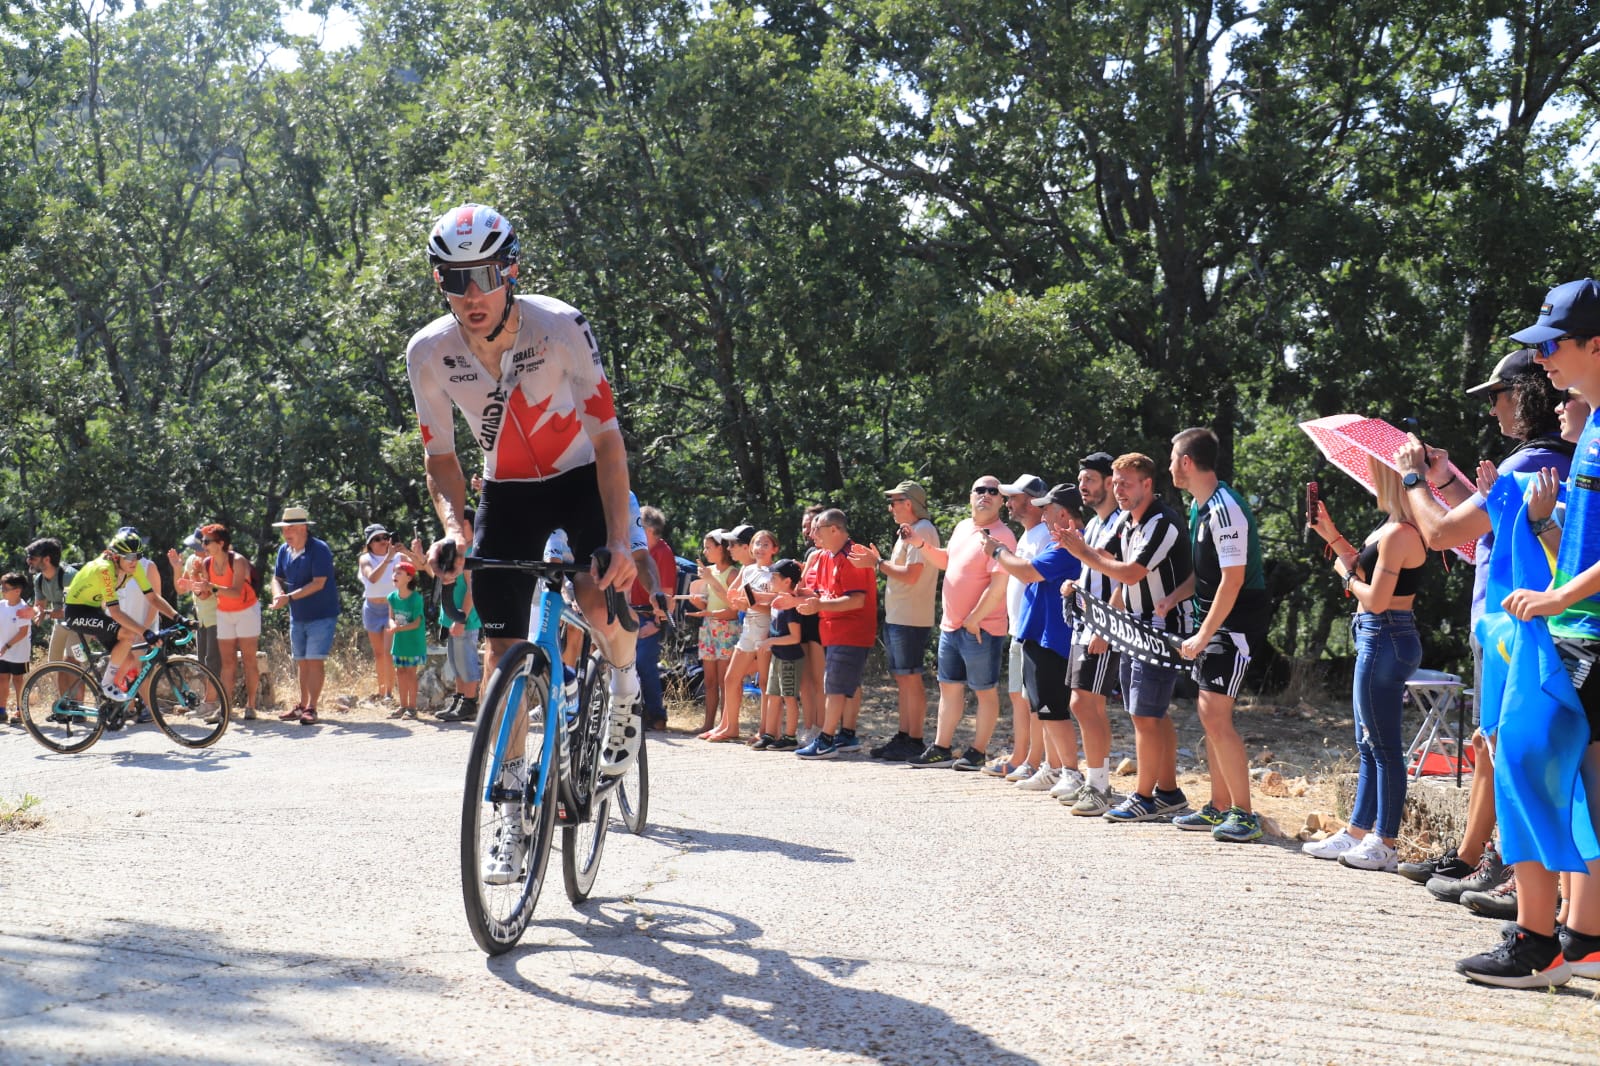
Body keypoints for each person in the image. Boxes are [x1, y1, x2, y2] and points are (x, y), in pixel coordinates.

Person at [407, 204, 640, 883]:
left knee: (600, 598)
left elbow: (607, 439)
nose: (471, 293)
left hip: (577, 477)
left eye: (483, 274)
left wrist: (620, 539)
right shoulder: (429, 352)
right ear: (440, 280)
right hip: (505, 488)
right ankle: (509, 808)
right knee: (501, 649)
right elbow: (440, 459)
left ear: (508, 269)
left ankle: (623, 690)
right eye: (455, 278)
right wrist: (455, 530)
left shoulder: (560, 327)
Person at [1456, 277, 1600, 988]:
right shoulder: (1594, 426)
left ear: (1595, 343)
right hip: (1572, 625)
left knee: (1519, 754)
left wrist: (1555, 598)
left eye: (1553, 344)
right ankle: (1578, 936)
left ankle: (1539, 942)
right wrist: (1550, 532)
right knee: (1580, 783)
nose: (1543, 361)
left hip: (1581, 629)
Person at [1395, 352, 1574, 902]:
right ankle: (1478, 855)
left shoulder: (1530, 463)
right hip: (1511, 621)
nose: (1493, 409)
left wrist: (1410, 479)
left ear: (1523, 396)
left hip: (1514, 624)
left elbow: (1444, 534)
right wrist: (1445, 479)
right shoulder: (1545, 459)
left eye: (1497, 395)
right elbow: (1488, 527)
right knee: (1490, 740)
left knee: (1512, 746)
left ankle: (1517, 873)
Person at [1306, 456, 1427, 870]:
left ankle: (1385, 843)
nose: (1369, 482)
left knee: (1385, 747)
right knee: (1369, 743)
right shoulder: (1390, 529)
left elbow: (1374, 597)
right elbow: (1363, 566)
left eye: (1375, 476)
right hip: (1379, 635)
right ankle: (1358, 832)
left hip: (1385, 635)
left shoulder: (1401, 534)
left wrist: (1345, 577)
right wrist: (1333, 535)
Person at [1058, 453, 1194, 822]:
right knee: (1152, 715)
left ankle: (1144, 797)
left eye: (1126, 483)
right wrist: (1106, 617)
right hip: (1132, 628)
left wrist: (1081, 551)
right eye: (1115, 483)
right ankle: (1168, 792)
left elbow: (1131, 572)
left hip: (1160, 630)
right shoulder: (1128, 523)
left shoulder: (1161, 522)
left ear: (1148, 484)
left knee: (1144, 716)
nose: (1118, 490)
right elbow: (1109, 563)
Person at [1162, 428, 1272, 843]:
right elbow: (1204, 575)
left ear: (1187, 462)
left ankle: (1245, 814)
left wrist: (1203, 633)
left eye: (1173, 457)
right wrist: (1173, 598)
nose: (1170, 464)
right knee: (1209, 714)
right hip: (1213, 621)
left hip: (1237, 621)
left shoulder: (1226, 509)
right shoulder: (1199, 506)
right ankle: (1219, 807)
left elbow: (1232, 580)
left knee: (1214, 712)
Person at [905, 477, 1017, 770]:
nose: (987, 495)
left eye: (994, 492)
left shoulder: (1002, 536)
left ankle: (977, 751)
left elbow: (998, 586)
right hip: (952, 627)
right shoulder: (963, 528)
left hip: (981, 629)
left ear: (1002, 502)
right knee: (949, 688)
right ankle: (942, 748)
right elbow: (946, 562)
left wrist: (974, 620)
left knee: (984, 691)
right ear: (970, 496)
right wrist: (919, 543)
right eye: (980, 490)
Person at [984, 485, 1086, 796]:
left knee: (1053, 708)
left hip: (1052, 637)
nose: (1042, 515)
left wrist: (998, 551)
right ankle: (1054, 768)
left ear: (1064, 514)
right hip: (1038, 634)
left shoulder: (1069, 546)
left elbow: (1027, 572)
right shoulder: (1059, 542)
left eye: (1048, 509)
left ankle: (1070, 772)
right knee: (1044, 708)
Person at [855, 481, 939, 761]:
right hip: (901, 616)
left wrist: (876, 563)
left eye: (894, 502)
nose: (890, 508)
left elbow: (912, 575)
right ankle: (905, 736)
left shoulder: (922, 531)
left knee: (910, 678)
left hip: (911, 617)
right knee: (904, 678)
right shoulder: (910, 532)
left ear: (909, 503)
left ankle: (914, 739)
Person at [1060, 451, 1123, 816]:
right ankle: (1096, 781)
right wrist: (1076, 584)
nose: (1083, 486)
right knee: (1086, 704)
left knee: (1084, 703)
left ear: (1108, 483)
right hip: (1083, 625)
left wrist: (1106, 625)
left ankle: (1099, 787)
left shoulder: (1118, 523)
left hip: (1101, 627)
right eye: (1081, 480)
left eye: (1090, 480)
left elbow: (1123, 578)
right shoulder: (1096, 523)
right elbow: (1095, 570)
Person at [790, 509, 877, 759]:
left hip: (851, 631)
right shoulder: (827, 556)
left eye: (818, 529)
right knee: (845, 685)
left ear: (835, 529)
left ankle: (826, 740)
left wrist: (819, 606)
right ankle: (846, 735)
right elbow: (819, 592)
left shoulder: (854, 555)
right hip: (832, 631)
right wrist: (791, 598)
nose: (812, 534)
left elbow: (856, 600)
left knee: (835, 688)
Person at [63, 529, 181, 703]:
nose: (134, 561)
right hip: (77, 611)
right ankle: (107, 686)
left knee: (128, 658)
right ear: (116, 557)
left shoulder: (136, 566)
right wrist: (146, 632)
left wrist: (179, 618)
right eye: (129, 557)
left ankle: (112, 704)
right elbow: (116, 613)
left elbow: (153, 597)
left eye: (138, 556)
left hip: (94, 609)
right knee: (128, 634)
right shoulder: (105, 570)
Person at [268, 506, 340, 726]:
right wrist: (278, 594)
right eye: (283, 529)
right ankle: (302, 704)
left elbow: (319, 583)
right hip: (297, 616)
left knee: (314, 660)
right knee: (302, 662)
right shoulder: (284, 550)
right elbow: (276, 578)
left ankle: (312, 708)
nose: (285, 533)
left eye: (289, 528)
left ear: (303, 528)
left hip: (321, 615)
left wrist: (288, 598)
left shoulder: (319, 549)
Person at [198, 524, 262, 721]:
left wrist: (211, 587)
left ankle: (250, 706)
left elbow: (235, 592)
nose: (204, 545)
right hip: (224, 612)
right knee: (227, 663)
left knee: (250, 659)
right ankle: (226, 708)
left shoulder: (238, 561)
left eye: (207, 542)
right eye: (203, 541)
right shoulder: (207, 563)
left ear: (221, 543)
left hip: (246, 611)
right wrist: (198, 588)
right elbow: (205, 595)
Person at [169, 528, 224, 719]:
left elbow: (204, 593)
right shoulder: (194, 561)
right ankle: (209, 702)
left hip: (217, 618)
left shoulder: (214, 563)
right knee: (204, 663)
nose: (195, 552)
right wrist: (177, 568)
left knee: (213, 662)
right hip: (202, 619)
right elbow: (180, 588)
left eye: (198, 547)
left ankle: (211, 703)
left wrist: (196, 574)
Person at [436, 507, 484, 723]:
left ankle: (470, 703)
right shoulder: (454, 550)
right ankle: (459, 700)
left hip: (465, 619)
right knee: (456, 663)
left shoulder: (472, 551)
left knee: (467, 661)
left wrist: (461, 618)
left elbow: (472, 590)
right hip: (452, 618)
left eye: (461, 522)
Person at [693, 530, 741, 737]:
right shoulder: (708, 571)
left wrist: (711, 581)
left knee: (725, 681)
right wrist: (697, 601)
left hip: (726, 629)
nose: (705, 552)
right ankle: (708, 724)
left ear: (721, 548)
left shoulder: (732, 573)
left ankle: (725, 724)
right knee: (710, 681)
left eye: (708, 547)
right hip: (708, 627)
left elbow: (733, 608)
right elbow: (707, 600)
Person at [754, 558, 805, 751]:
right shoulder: (776, 602)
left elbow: (795, 637)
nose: (771, 580)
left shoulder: (790, 606)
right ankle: (769, 734)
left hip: (789, 658)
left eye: (775, 577)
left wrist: (771, 641)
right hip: (777, 655)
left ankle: (790, 737)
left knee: (789, 697)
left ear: (787, 581)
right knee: (773, 694)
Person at [634, 505, 677, 731]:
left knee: (644, 664)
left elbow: (668, 595)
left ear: (649, 529)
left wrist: (655, 623)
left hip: (650, 618)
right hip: (630, 614)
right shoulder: (634, 549)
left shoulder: (663, 553)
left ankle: (656, 715)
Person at [358, 524, 400, 705]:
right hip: (372, 609)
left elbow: (420, 566)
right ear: (369, 544)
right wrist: (387, 559)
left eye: (385, 537)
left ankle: (389, 694)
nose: (383, 541)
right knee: (379, 654)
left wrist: (412, 552)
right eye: (377, 539)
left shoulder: (398, 556)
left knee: (388, 652)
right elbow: (372, 578)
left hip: (391, 608)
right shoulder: (365, 558)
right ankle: (381, 689)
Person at [386, 559, 428, 720]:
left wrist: (399, 628)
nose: (394, 575)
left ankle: (412, 708)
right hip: (400, 643)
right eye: (394, 572)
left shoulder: (416, 599)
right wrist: (392, 625)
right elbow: (390, 618)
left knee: (411, 673)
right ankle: (402, 706)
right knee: (400, 672)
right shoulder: (391, 597)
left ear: (409, 578)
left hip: (413, 643)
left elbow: (417, 622)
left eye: (399, 572)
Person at [24, 538, 77, 667]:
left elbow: (70, 611)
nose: (28, 561)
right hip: (61, 624)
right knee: (53, 666)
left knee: (73, 664)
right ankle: (63, 689)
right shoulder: (39, 580)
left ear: (47, 559)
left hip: (79, 624)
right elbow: (39, 606)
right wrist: (38, 612)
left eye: (33, 558)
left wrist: (45, 614)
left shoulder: (68, 577)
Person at [0, 572, 32, 724]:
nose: (2, 590)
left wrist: (7, 645)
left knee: (18, 681)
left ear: (17, 591)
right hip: (2, 652)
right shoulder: (1, 605)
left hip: (19, 653)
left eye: (6, 588)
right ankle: (1, 710)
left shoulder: (24, 608)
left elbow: (23, 632)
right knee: (2, 679)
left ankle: (21, 711)